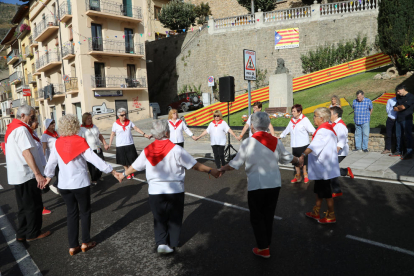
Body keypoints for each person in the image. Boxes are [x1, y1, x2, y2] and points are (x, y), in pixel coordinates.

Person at [116, 120, 221, 254]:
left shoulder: (148, 150)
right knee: (175, 217)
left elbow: (135, 166)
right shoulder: (176, 149)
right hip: (175, 190)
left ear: (154, 134)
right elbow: (194, 165)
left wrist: (123, 174)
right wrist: (211, 170)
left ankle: (161, 243)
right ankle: (173, 242)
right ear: (166, 132)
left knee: (159, 218)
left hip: (155, 191)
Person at [220, 112, 303, 259]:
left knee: (257, 217)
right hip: (274, 184)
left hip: (257, 185)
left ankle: (263, 248)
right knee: (268, 215)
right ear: (267, 125)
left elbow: (235, 164)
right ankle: (266, 243)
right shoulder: (276, 141)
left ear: (252, 126)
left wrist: (221, 169)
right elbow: (286, 158)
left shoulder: (248, 142)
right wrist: (297, 160)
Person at [43, 114, 118, 256]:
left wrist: (48, 177)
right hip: (80, 183)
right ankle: (85, 242)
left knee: (71, 213)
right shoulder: (79, 141)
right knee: (84, 212)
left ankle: (73, 246)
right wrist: (112, 171)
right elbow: (94, 159)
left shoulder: (58, 142)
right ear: (75, 125)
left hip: (64, 185)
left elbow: (52, 162)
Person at [4, 105, 51, 242]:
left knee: (24, 206)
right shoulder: (22, 129)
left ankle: (22, 233)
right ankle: (33, 233)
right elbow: (26, 152)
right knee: (34, 205)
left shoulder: (13, 127)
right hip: (26, 174)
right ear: (23, 116)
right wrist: (37, 173)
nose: (33, 119)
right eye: (31, 117)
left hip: (18, 174)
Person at [300, 107, 340, 224]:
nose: (313, 118)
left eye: (315, 116)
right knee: (319, 191)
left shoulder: (323, 131)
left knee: (327, 193)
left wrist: (302, 155)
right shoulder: (328, 129)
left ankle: (331, 215)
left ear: (321, 118)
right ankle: (316, 212)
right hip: (323, 167)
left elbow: (313, 146)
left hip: (323, 168)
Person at [108, 108, 151, 179]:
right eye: (122, 115)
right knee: (123, 160)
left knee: (132, 159)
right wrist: (109, 144)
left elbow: (136, 128)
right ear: (118, 116)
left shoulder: (129, 122)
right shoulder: (115, 124)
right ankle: (127, 171)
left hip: (129, 143)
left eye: (125, 114)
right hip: (120, 145)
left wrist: (145, 134)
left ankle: (130, 171)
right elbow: (112, 134)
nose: (124, 116)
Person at [279, 104, 315, 184]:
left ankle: (305, 175)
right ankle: (298, 175)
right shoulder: (292, 120)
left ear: (299, 112)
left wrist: (317, 138)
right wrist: (280, 136)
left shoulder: (305, 120)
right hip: (294, 144)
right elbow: (287, 129)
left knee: (304, 161)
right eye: (292, 111)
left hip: (303, 144)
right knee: (295, 161)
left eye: (294, 111)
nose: (292, 113)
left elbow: (312, 130)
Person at [29, 116, 52, 215]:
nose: (38, 124)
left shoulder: (33, 133)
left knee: (40, 189)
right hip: (35, 167)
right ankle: (40, 209)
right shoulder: (28, 135)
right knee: (37, 189)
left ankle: (40, 207)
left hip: (41, 164)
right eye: (36, 121)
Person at [79, 112, 110, 185]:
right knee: (92, 165)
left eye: (90, 118)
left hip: (98, 148)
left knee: (102, 161)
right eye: (88, 119)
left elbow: (100, 135)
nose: (90, 120)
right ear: (84, 120)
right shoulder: (81, 129)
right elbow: (81, 140)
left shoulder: (94, 126)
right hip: (89, 149)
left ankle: (98, 175)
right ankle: (93, 179)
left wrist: (104, 143)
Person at [330, 107, 354, 198]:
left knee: (331, 169)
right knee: (331, 169)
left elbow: (342, 140)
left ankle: (337, 190)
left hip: (340, 152)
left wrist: (335, 152)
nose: (329, 114)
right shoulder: (331, 123)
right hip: (333, 150)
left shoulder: (340, 125)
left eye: (330, 113)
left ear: (336, 114)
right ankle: (345, 171)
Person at [393, 84, 414, 160]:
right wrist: (400, 107)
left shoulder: (411, 97)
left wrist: (399, 107)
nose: (398, 93)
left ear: (403, 89)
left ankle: (409, 153)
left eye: (398, 91)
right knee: (398, 136)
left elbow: (403, 107)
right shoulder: (399, 97)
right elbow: (394, 108)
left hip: (407, 119)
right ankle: (398, 151)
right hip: (399, 119)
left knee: (408, 136)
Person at [41, 118, 60, 194]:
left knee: (59, 172)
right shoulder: (45, 135)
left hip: (59, 156)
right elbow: (44, 148)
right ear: (48, 126)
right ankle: (50, 186)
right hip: (51, 157)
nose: (54, 124)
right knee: (56, 173)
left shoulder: (56, 133)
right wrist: (44, 160)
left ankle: (57, 186)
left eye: (54, 123)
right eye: (52, 123)